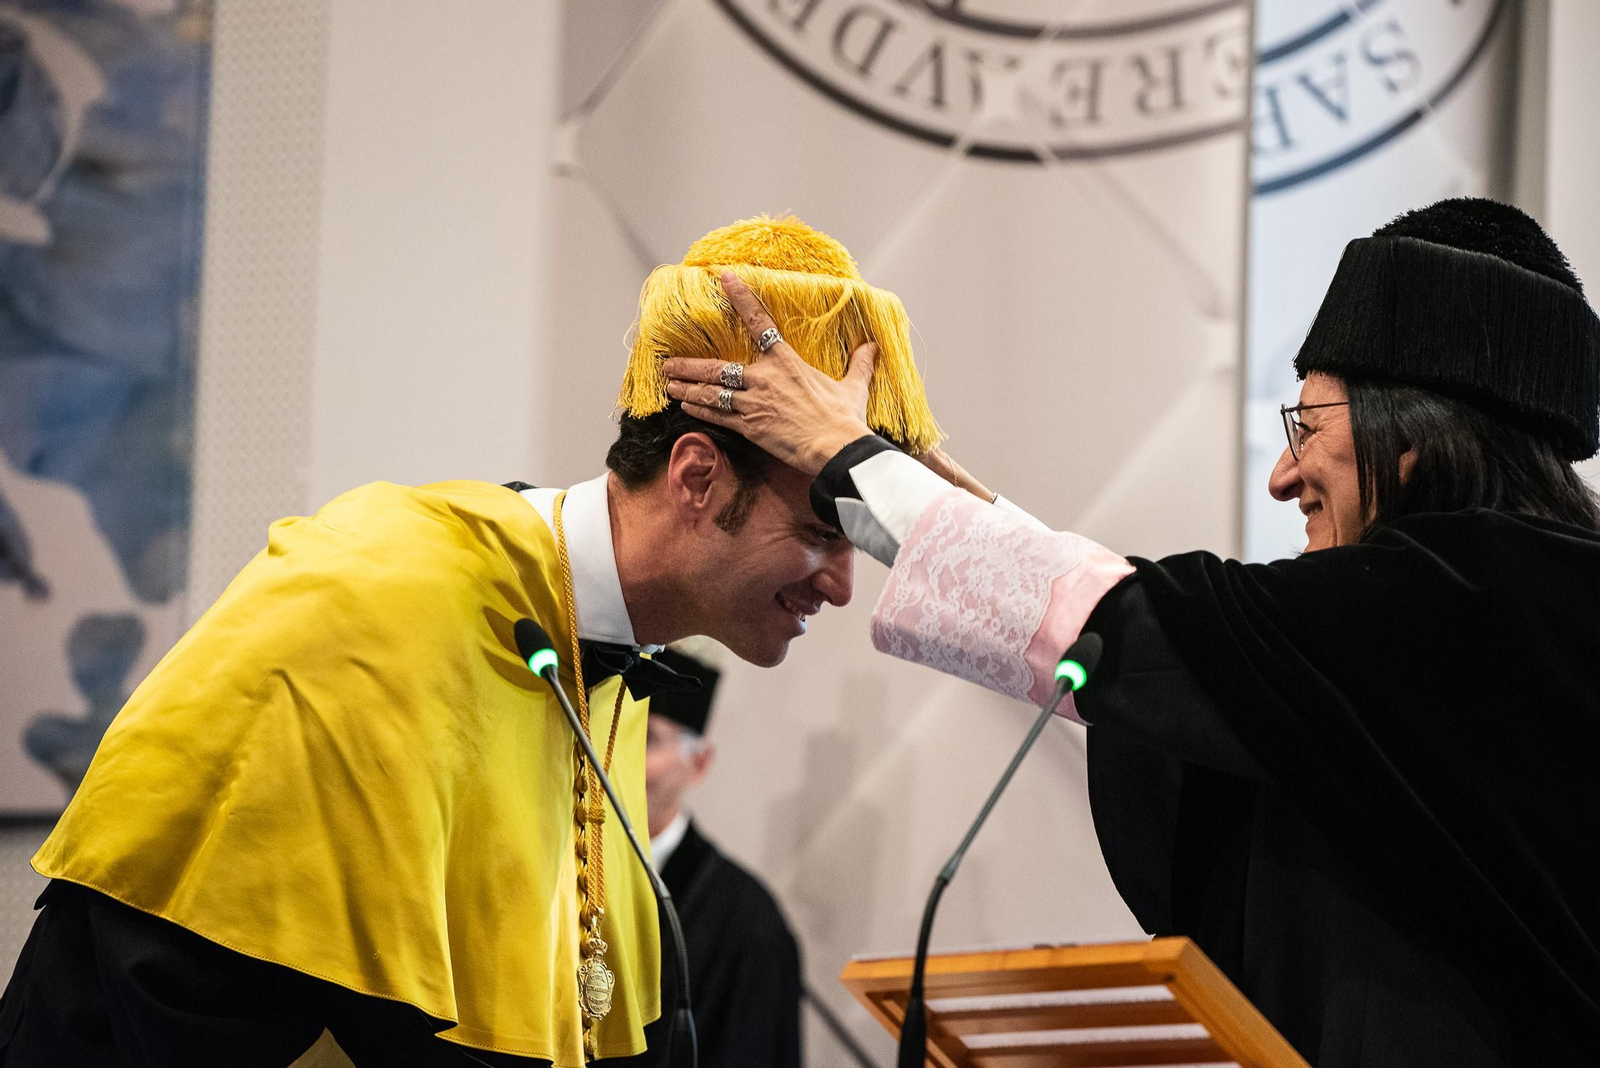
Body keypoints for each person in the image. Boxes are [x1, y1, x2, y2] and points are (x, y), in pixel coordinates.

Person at [661, 198, 1600, 1066]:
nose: (1283, 475)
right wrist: (934, 503)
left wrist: (844, 462)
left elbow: (1154, 637)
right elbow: (1197, 659)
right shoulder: (1492, 616)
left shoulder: (1471, 603)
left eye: (1307, 424)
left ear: (1414, 433)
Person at [0, 215, 940, 1068]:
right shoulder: (385, 591)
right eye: (822, 533)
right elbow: (177, 993)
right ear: (696, 477)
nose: (844, 584)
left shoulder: (602, 661)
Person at [637, 647, 802, 1068]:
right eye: (614, 735)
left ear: (699, 762)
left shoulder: (748, 924)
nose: (618, 759)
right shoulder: (559, 875)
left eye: (648, 739)